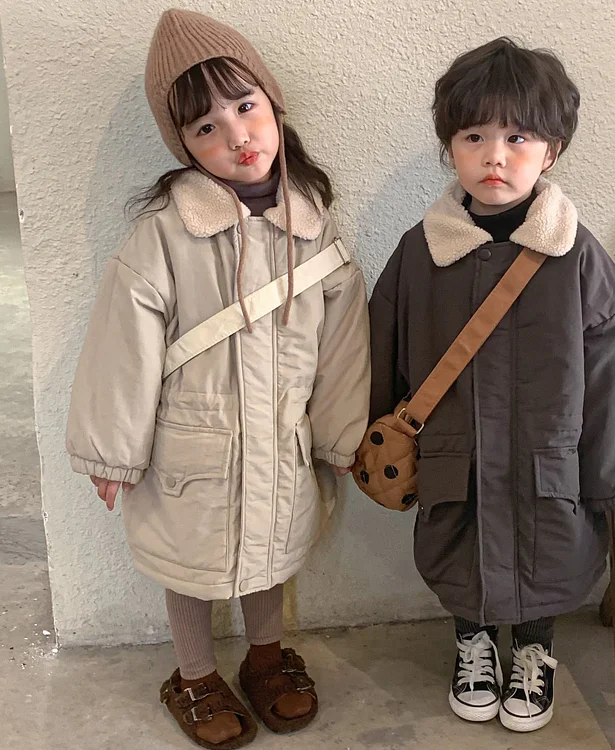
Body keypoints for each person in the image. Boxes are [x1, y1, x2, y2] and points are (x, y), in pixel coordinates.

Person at [66, 9, 370, 747]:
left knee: (272, 550)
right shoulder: (166, 232)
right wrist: (111, 450)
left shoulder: (313, 224)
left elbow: (343, 340)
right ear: (183, 144)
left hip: (282, 435)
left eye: (245, 106)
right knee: (192, 561)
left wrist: (342, 435)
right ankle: (195, 674)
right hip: (191, 444)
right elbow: (124, 342)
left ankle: (266, 658)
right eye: (206, 126)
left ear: (273, 103)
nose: (237, 136)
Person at [367, 37, 615, 733]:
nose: (495, 156)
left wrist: (614, 473)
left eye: (518, 137)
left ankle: (533, 649)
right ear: (450, 147)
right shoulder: (421, 251)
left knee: (546, 550)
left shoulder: (576, 255)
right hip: (453, 454)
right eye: (475, 136)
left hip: (548, 457)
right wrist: (366, 434)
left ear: (551, 151)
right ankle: (472, 643)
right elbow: (381, 348)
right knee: (460, 545)